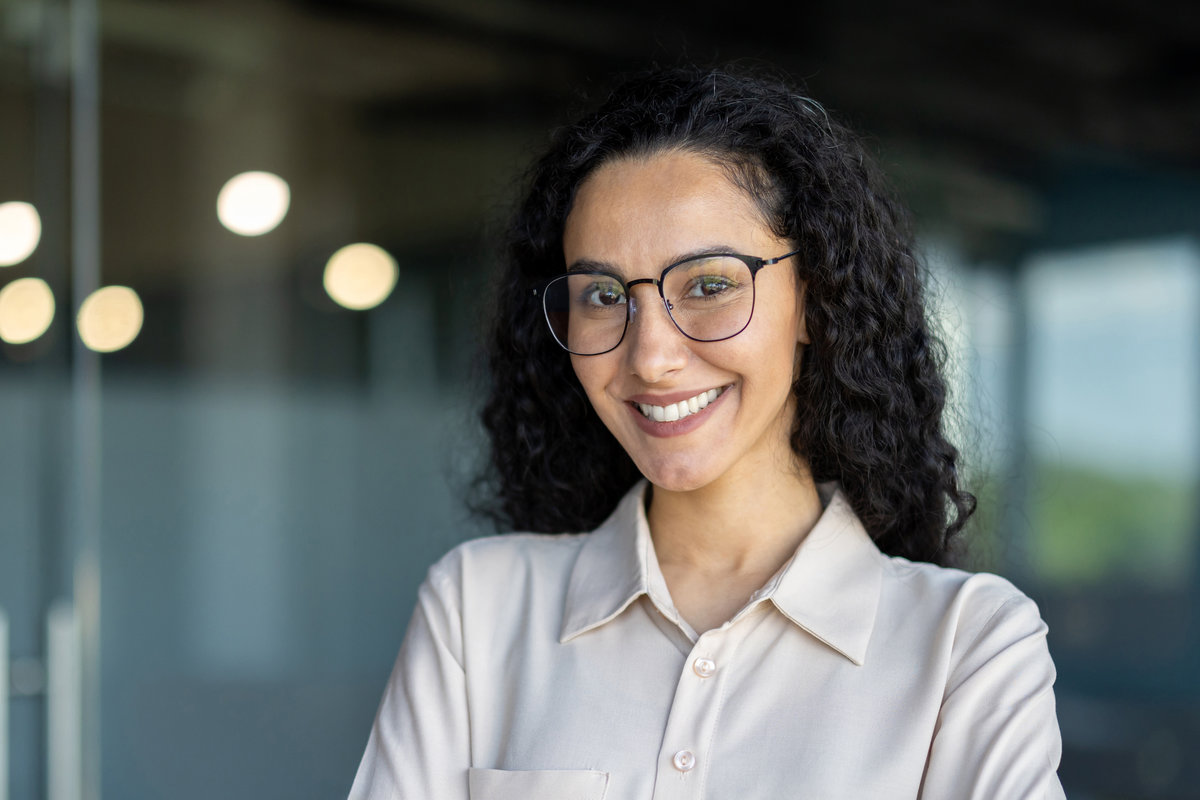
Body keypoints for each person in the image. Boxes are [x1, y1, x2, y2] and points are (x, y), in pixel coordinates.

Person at [349, 65, 1065, 799]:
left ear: (815, 300)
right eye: (602, 295)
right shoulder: (478, 611)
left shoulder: (966, 650)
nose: (650, 358)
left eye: (710, 285)